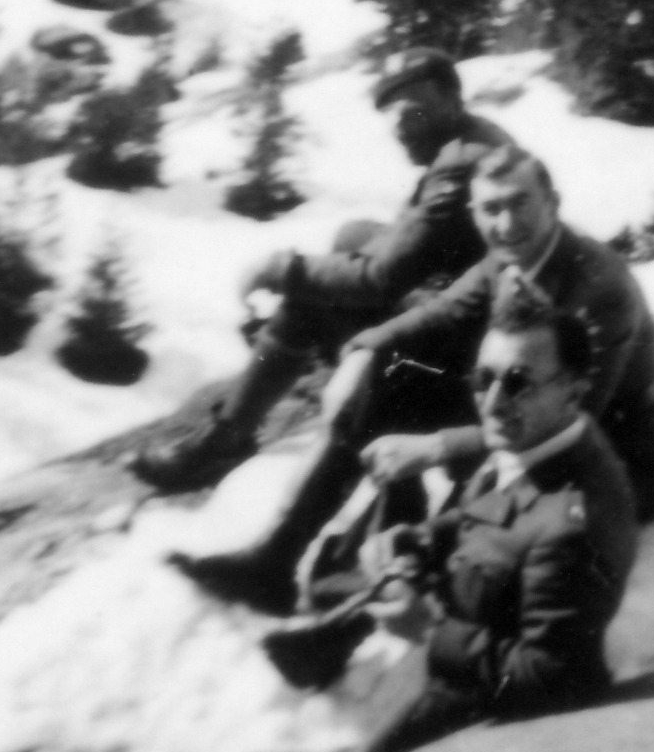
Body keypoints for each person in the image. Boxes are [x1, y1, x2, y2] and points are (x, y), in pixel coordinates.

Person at [171, 146, 654, 614]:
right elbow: (444, 314)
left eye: (520, 203)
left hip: (614, 460)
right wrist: (364, 353)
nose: (505, 223)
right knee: (391, 377)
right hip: (533, 413)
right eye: (490, 209)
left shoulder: (598, 289)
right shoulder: (512, 255)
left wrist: (436, 447)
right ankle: (275, 562)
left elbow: (564, 426)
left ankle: (358, 620)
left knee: (494, 493)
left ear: (553, 203)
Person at [236, 288, 640, 752]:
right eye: (484, 379)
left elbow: (555, 677)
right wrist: (418, 541)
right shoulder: (539, 442)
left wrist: (430, 630)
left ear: (574, 389)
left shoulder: (571, 519)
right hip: (476, 630)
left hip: (491, 701)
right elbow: (490, 514)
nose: (492, 403)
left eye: (517, 382)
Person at [133, 48, 509, 493]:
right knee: (353, 236)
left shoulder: (458, 167)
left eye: (415, 111)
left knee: (306, 300)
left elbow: (379, 279)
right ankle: (312, 355)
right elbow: (410, 246)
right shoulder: (473, 138)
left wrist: (282, 269)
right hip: (472, 321)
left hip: (457, 366)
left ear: (451, 97)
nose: (401, 127)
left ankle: (229, 439)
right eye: (393, 115)